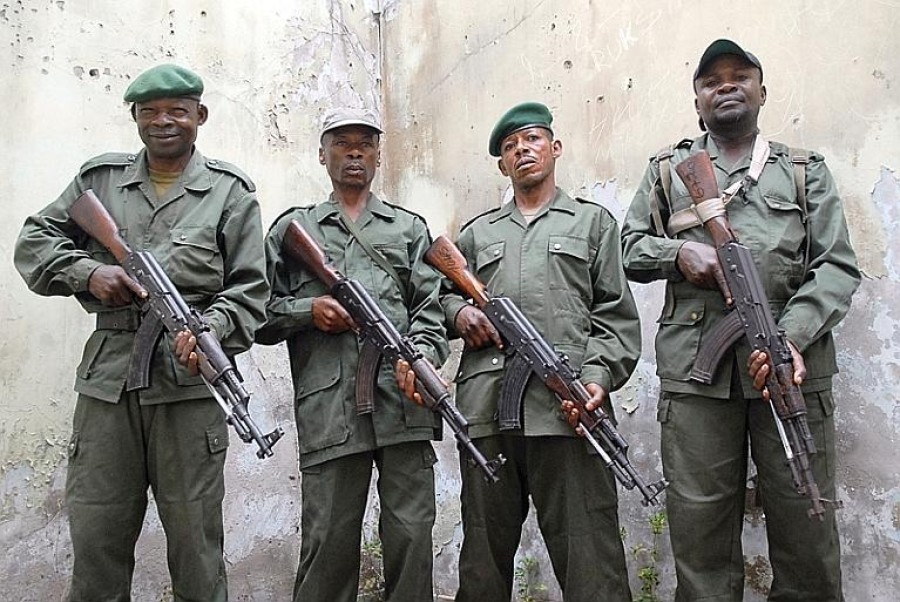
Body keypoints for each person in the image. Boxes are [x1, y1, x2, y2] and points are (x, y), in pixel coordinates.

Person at [13, 64, 269, 601]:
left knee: (197, 549)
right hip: (108, 386)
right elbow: (34, 241)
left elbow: (251, 291)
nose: (163, 121)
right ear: (135, 118)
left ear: (200, 117)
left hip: (189, 386)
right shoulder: (99, 181)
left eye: (177, 110)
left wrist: (209, 331)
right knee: (97, 538)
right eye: (150, 112)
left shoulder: (230, 193)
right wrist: (91, 273)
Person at [621, 39, 861, 601]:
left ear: (761, 91)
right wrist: (679, 254)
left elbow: (836, 266)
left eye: (739, 76)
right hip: (697, 380)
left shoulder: (803, 172)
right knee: (700, 530)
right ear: (697, 102)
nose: (725, 86)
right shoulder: (666, 173)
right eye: (711, 81)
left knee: (806, 523)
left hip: (788, 371)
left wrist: (792, 337)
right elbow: (629, 248)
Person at [440, 102, 641, 602]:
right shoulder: (477, 234)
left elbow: (615, 315)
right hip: (487, 414)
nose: (521, 150)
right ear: (502, 166)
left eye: (531, 139)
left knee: (590, 559)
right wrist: (459, 315)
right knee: (483, 561)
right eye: (510, 147)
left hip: (568, 413)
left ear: (555, 148)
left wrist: (596, 376)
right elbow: (439, 294)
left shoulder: (593, 224)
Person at [256, 107, 449, 602]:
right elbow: (254, 312)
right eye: (342, 143)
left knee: (411, 537)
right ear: (322, 154)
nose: (355, 152)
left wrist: (422, 355)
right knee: (327, 543)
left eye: (366, 142)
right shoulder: (293, 230)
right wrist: (307, 311)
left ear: (379, 154)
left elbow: (431, 307)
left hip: (403, 405)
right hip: (330, 410)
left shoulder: (408, 229)